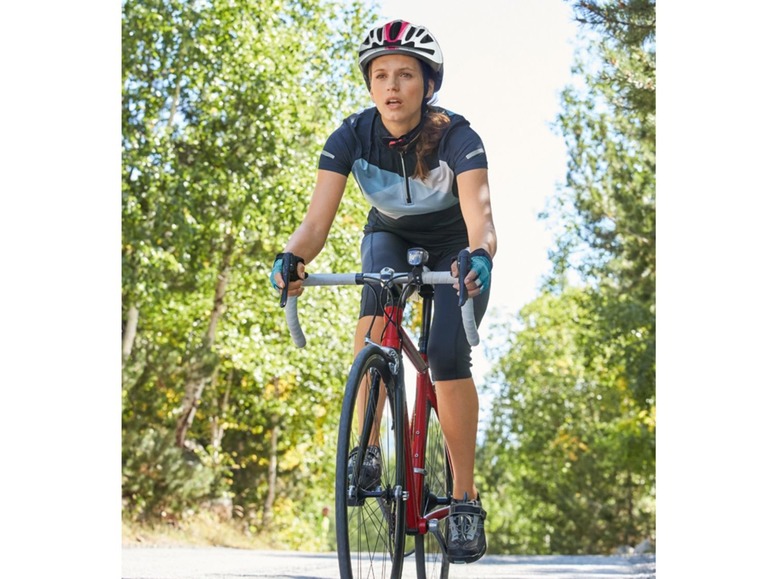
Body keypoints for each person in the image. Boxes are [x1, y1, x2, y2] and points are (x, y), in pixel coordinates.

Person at [271, 19, 496, 564]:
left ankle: (463, 496)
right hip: (389, 236)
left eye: (405, 75)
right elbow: (316, 225)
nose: (392, 86)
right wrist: (293, 257)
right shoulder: (350, 136)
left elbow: (481, 221)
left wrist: (481, 259)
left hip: (454, 246)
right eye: (381, 75)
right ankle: (368, 449)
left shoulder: (458, 137)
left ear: (427, 84)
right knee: (375, 327)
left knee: (446, 355)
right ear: (370, 85)